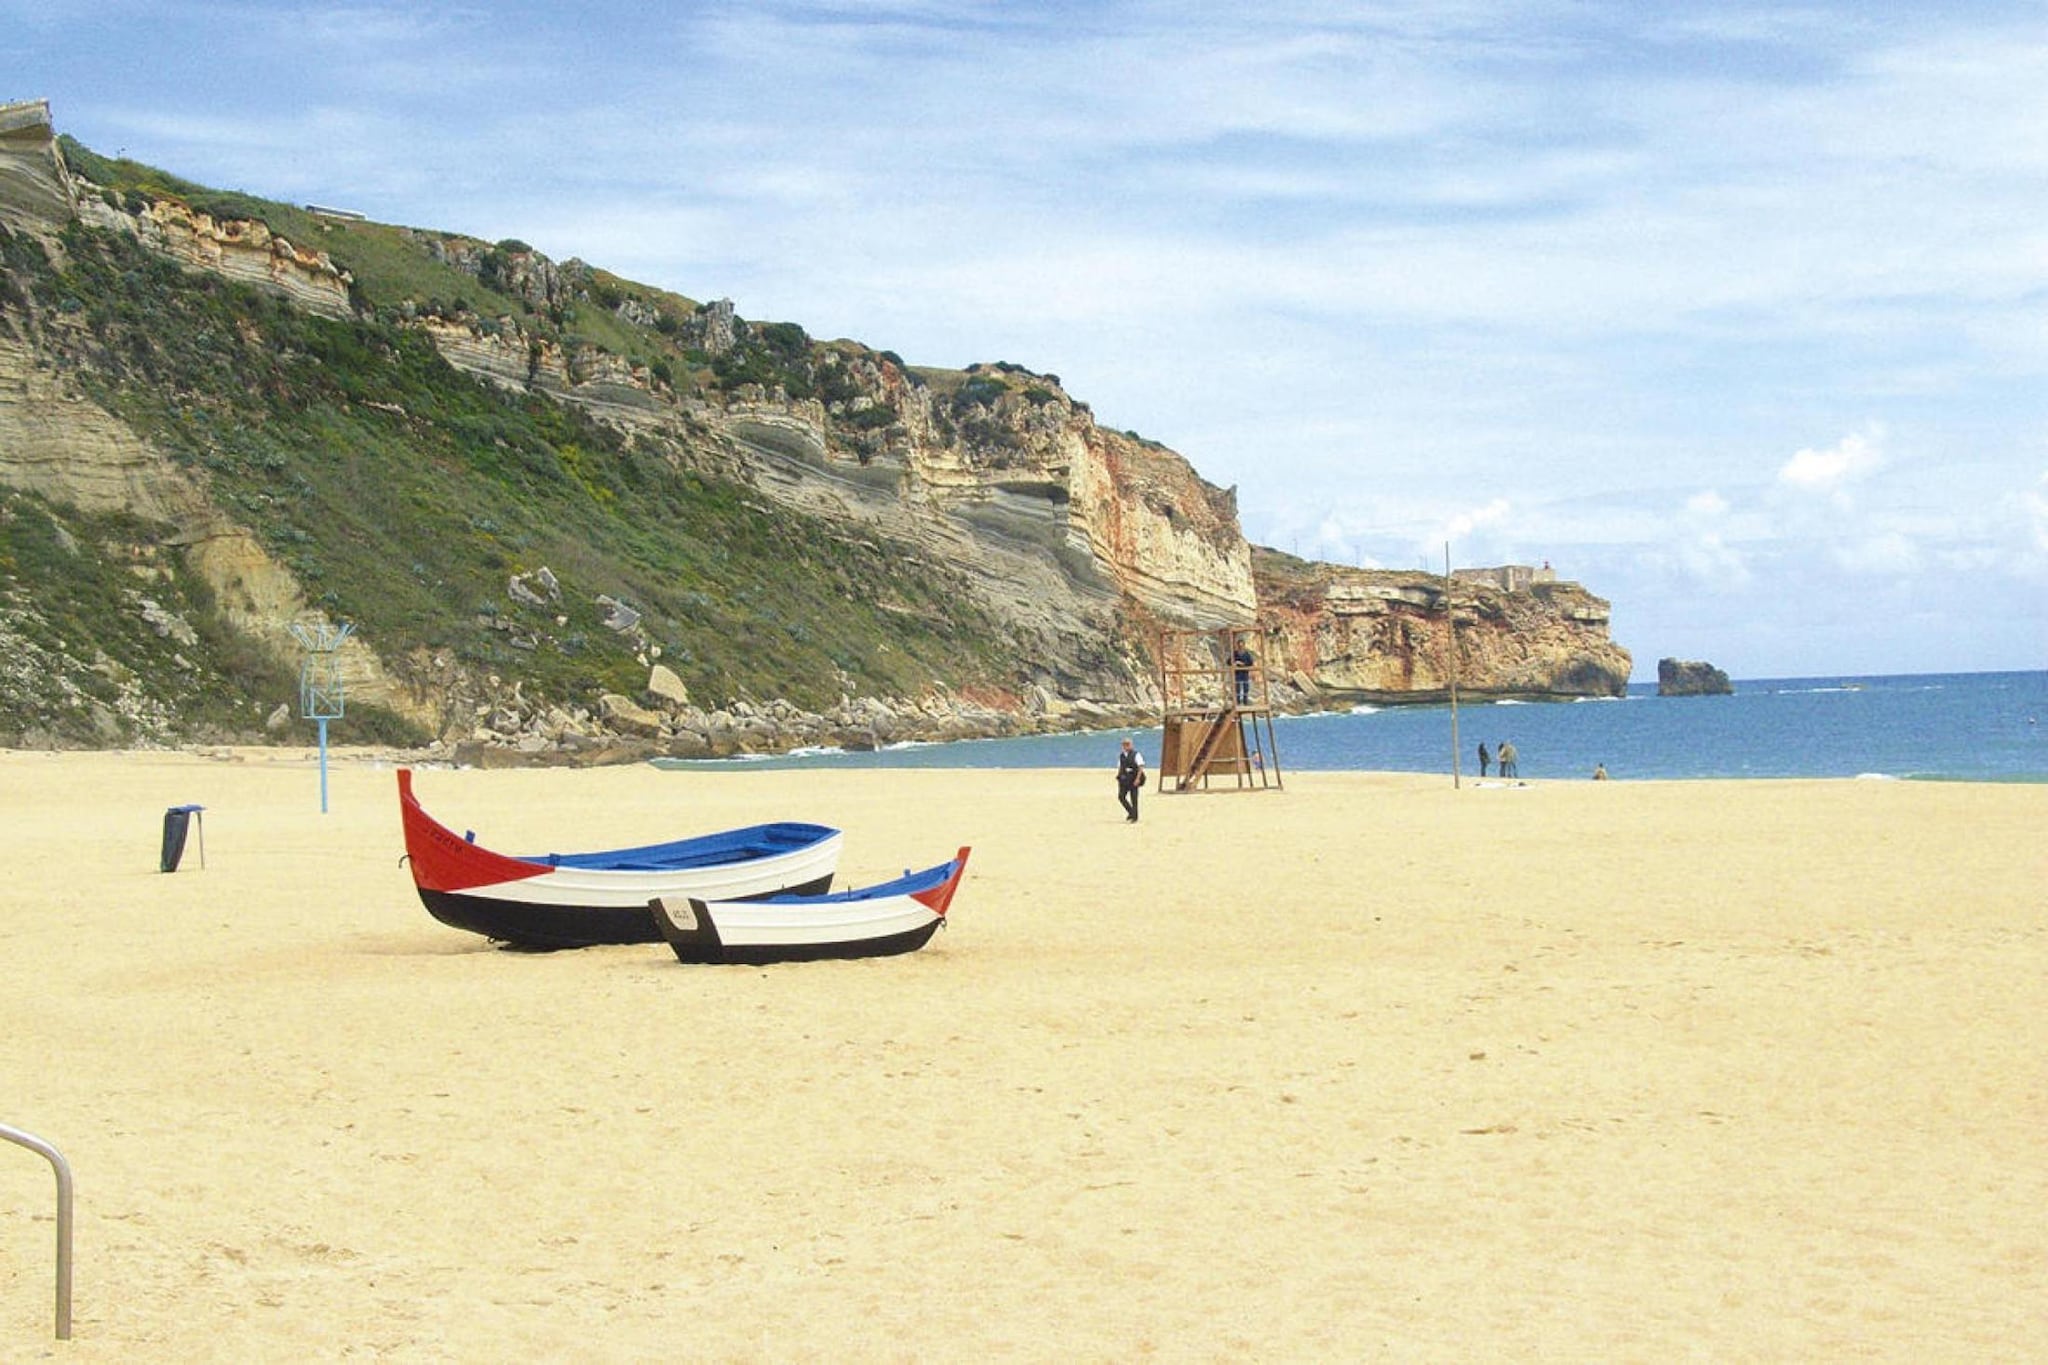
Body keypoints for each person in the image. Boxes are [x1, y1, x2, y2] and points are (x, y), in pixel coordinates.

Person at [1116, 736, 1146, 822]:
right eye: (1124, 744)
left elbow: (1140, 766)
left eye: (1128, 744)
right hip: (1124, 779)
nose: (1126, 746)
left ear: (1131, 745)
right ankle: (1131, 812)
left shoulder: (1136, 754)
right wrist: (1119, 776)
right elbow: (1120, 767)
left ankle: (1134, 817)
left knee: (1134, 798)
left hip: (1133, 778)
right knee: (1121, 797)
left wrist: (1138, 779)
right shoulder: (1121, 756)